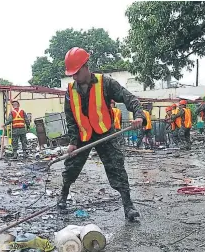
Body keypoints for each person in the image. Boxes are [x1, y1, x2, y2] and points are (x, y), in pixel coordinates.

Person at [60, 47, 145, 221]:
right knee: (70, 167)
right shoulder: (70, 91)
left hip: (104, 133)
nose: (74, 77)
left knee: (117, 168)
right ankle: (62, 196)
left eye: (76, 72)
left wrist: (138, 115)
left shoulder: (105, 83)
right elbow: (70, 117)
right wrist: (73, 141)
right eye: (72, 74)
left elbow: (129, 98)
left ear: (86, 66)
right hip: (83, 136)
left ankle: (128, 207)